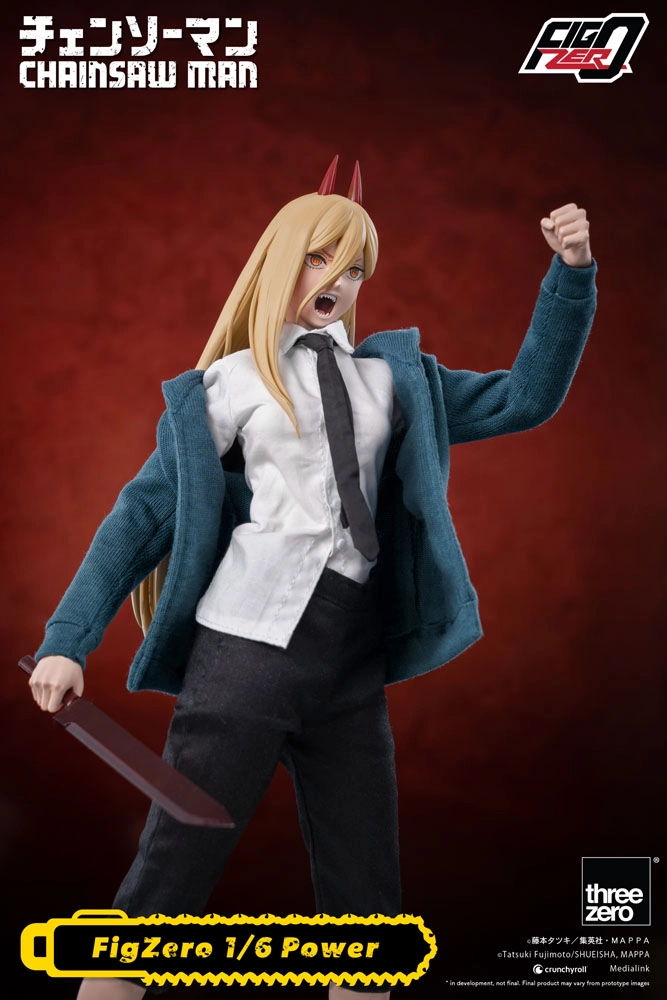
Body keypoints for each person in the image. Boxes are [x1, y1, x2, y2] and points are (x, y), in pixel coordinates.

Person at [28, 159, 597, 999]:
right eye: (319, 258)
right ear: (279, 261)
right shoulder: (231, 383)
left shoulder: (391, 380)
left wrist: (570, 275)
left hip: (348, 661)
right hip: (244, 652)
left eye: (355, 266)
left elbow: (524, 398)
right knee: (172, 868)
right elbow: (142, 515)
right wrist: (67, 641)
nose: (338, 279)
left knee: (366, 897)